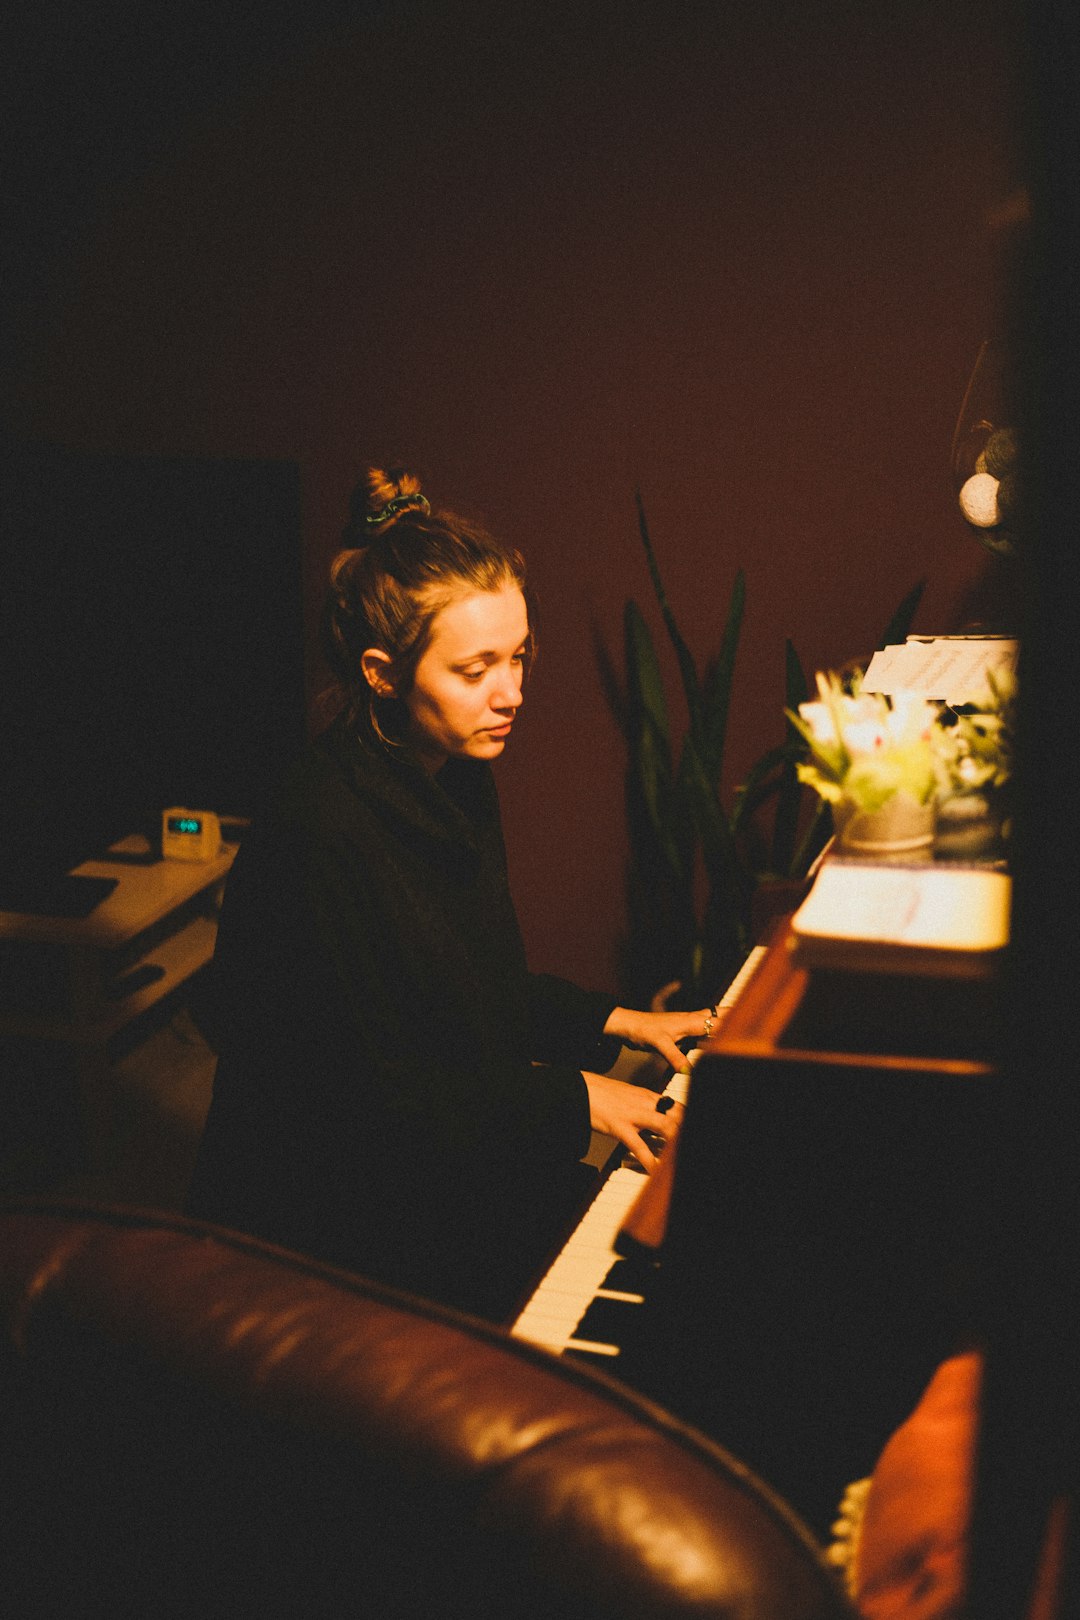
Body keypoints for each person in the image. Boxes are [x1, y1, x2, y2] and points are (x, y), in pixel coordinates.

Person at [187, 466, 715, 1322]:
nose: (510, 692)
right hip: (321, 1225)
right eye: (475, 669)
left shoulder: (452, 775)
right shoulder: (318, 834)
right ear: (382, 674)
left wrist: (617, 1022)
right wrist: (583, 1093)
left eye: (518, 657)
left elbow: (463, 989)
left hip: (431, 1154)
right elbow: (365, 1099)